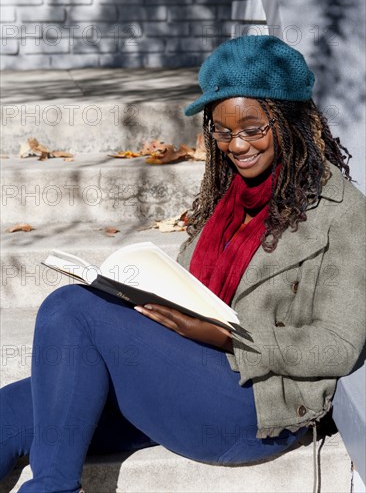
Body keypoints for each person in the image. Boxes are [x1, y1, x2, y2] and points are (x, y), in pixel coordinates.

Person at [1, 35, 365, 493]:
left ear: (289, 120)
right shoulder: (225, 200)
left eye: (253, 128)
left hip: (253, 406)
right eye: (223, 131)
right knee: (8, 414)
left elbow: (339, 345)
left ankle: (54, 487)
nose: (238, 145)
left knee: (70, 309)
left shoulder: (342, 212)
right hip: (183, 375)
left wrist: (230, 340)